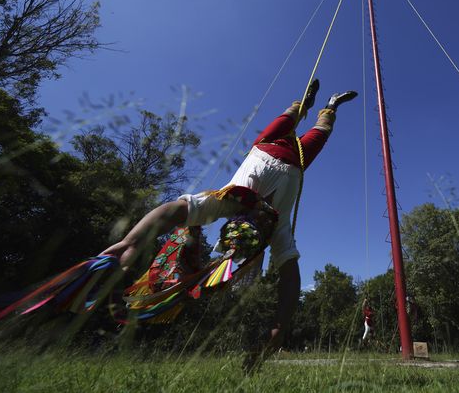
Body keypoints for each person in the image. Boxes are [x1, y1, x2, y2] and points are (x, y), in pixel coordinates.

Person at [101, 79, 357, 369]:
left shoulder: (229, 201)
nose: (255, 225)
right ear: (259, 240)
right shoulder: (278, 226)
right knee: (321, 133)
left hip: (265, 146)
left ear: (233, 226)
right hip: (297, 162)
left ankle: (303, 104)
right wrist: (279, 327)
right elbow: (290, 276)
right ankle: (329, 106)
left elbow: (175, 211)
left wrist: (130, 242)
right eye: (255, 231)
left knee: (289, 117)